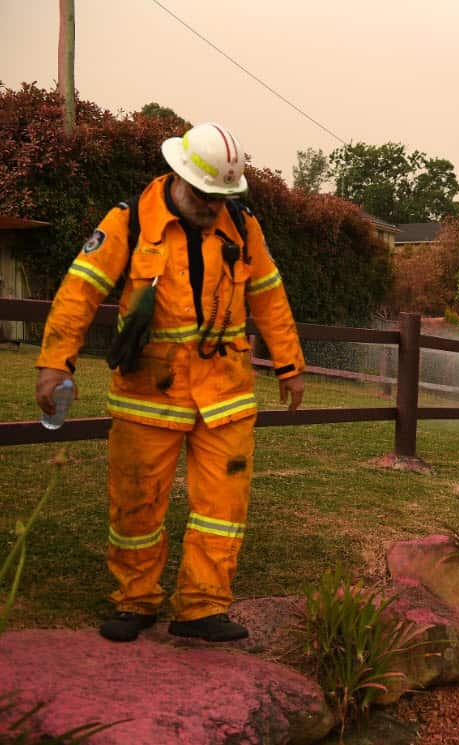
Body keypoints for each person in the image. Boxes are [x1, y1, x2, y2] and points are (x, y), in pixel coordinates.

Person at [34, 122, 306, 643]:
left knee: (223, 511)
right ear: (179, 176)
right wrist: (55, 360)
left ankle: (202, 608)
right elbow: (80, 289)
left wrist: (290, 364)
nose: (212, 206)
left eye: (221, 197)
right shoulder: (130, 222)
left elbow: (269, 295)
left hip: (224, 398)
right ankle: (135, 601)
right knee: (136, 505)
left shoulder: (243, 227)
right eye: (205, 195)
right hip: (147, 399)